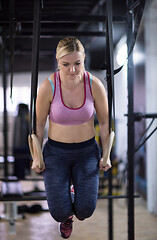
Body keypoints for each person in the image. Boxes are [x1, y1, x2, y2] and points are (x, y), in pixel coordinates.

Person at [32, 37, 111, 239]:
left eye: (78, 63)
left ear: (84, 58)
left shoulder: (94, 85)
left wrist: (106, 155)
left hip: (86, 153)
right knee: (59, 212)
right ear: (58, 61)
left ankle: (74, 189)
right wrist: (36, 156)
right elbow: (39, 125)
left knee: (85, 211)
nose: (73, 70)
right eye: (66, 64)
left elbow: (104, 124)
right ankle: (67, 215)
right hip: (56, 154)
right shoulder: (48, 86)